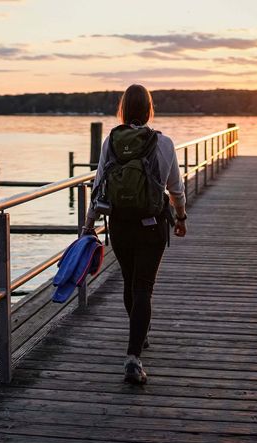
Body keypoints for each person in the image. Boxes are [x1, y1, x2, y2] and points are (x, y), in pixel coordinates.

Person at [82, 84, 187, 384]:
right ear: (149, 109)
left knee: (130, 283)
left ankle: (138, 338)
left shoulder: (111, 141)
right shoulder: (163, 143)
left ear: (124, 110)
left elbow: (99, 184)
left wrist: (89, 224)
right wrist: (181, 217)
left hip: (120, 224)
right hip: (152, 224)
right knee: (144, 288)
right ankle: (133, 356)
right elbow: (176, 189)